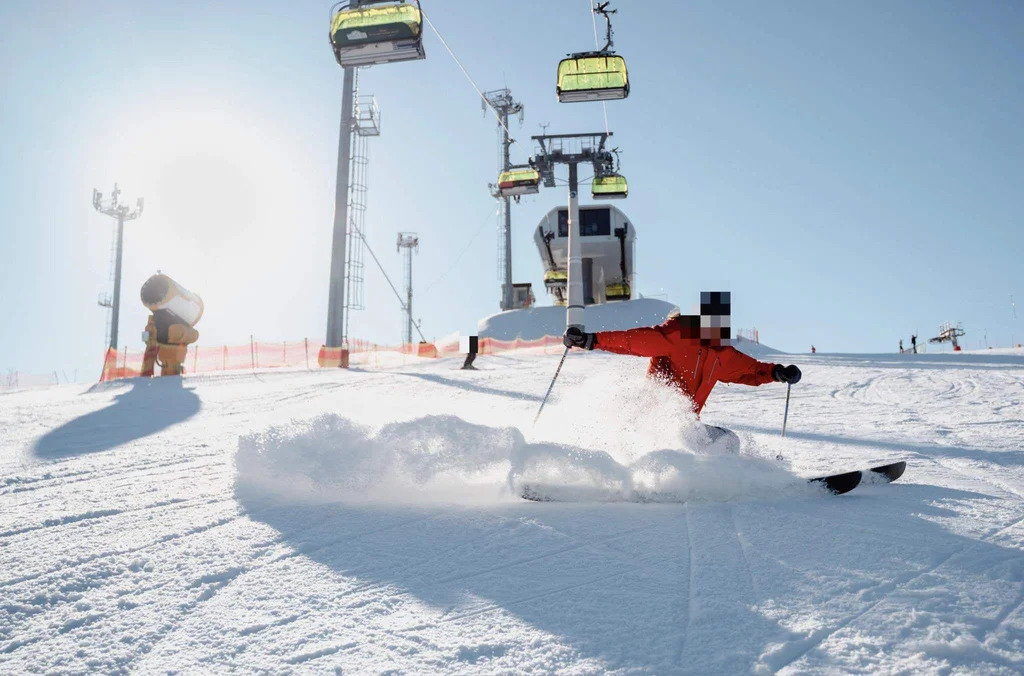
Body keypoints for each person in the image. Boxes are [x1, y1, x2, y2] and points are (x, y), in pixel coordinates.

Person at [562, 309, 801, 417]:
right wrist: (591, 340)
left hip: (686, 425)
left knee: (726, 443)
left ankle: (719, 485)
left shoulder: (723, 354)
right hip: (654, 418)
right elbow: (631, 341)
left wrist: (778, 372)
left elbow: (753, 371)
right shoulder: (677, 336)